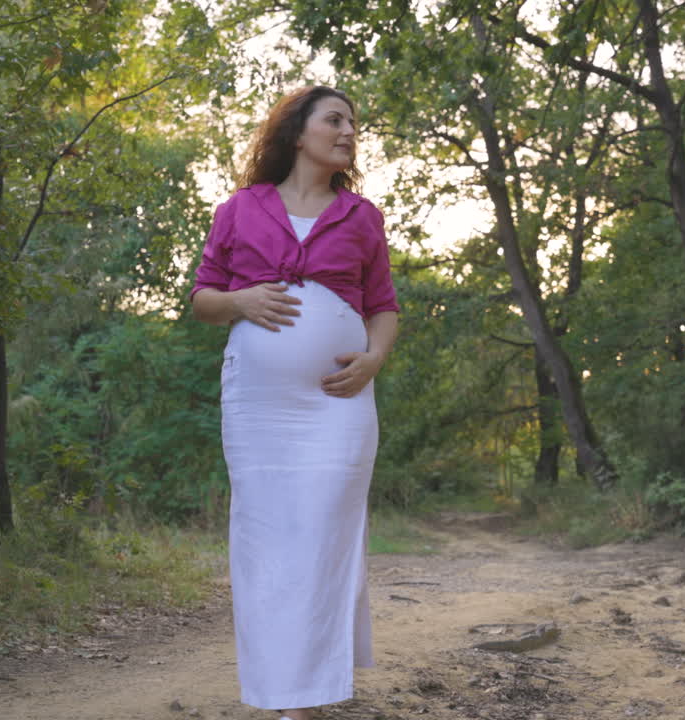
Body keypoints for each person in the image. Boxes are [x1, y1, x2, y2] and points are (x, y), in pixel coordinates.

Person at [187, 85, 399, 720]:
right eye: (334, 120)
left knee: (324, 530)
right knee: (264, 536)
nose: (347, 132)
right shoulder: (239, 210)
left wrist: (374, 357)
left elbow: (383, 306)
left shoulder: (362, 217)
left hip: (340, 402)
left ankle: (307, 687)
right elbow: (203, 298)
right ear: (296, 131)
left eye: (353, 124)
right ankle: (285, 696)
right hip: (258, 406)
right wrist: (242, 301)